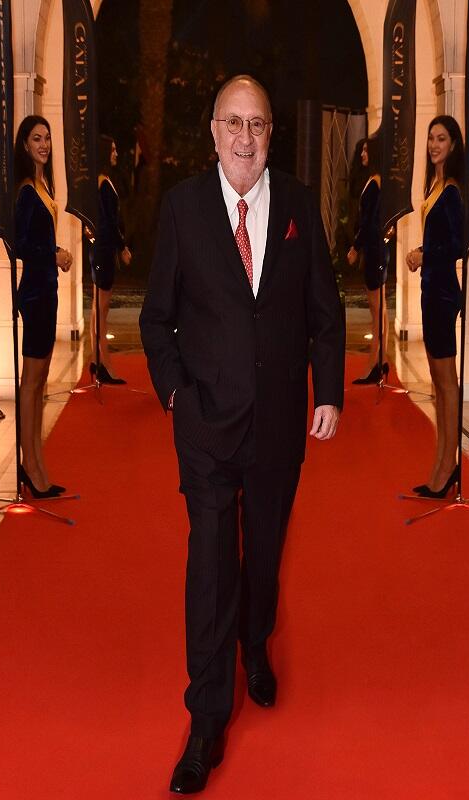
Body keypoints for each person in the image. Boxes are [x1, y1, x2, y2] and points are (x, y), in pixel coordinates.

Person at [140, 74, 345, 795]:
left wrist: (330, 389)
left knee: (262, 557)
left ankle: (254, 642)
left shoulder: (297, 205)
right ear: (213, 131)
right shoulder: (183, 208)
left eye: (257, 124)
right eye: (233, 122)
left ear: (270, 133)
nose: (245, 137)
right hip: (205, 423)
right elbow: (155, 319)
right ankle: (206, 718)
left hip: (280, 423)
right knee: (210, 565)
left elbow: (325, 310)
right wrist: (176, 395)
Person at [13, 115, 72, 497]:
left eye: (47, 138)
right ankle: (30, 466)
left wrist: (56, 254)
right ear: (25, 145)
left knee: (40, 382)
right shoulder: (25, 191)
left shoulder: (43, 185)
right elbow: (20, 245)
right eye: (37, 138)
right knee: (31, 382)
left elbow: (38, 240)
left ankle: (35, 461)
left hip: (46, 292)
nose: (44, 144)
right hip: (35, 294)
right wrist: (53, 255)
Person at [406, 115, 465, 499]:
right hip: (432, 290)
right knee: (437, 383)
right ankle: (442, 461)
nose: (433, 145)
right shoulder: (435, 185)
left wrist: (425, 254)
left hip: (443, 293)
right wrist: (421, 253)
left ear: (453, 144)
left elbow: (458, 245)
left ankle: (447, 466)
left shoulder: (453, 191)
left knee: (446, 383)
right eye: (431, 138)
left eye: (441, 138)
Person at [90, 134, 132, 385]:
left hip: (101, 251)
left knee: (99, 309)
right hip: (103, 252)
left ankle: (96, 360)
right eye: (113, 149)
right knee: (101, 310)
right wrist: (122, 247)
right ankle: (104, 365)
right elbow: (108, 222)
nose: (116, 153)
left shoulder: (101, 182)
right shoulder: (103, 184)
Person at [347, 137, 388, 384]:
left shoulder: (375, 184)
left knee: (376, 310)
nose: (362, 154)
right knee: (379, 310)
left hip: (375, 251)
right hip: (376, 250)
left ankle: (375, 365)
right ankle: (380, 362)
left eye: (365, 150)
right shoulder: (375, 181)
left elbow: (369, 222)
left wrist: (356, 246)